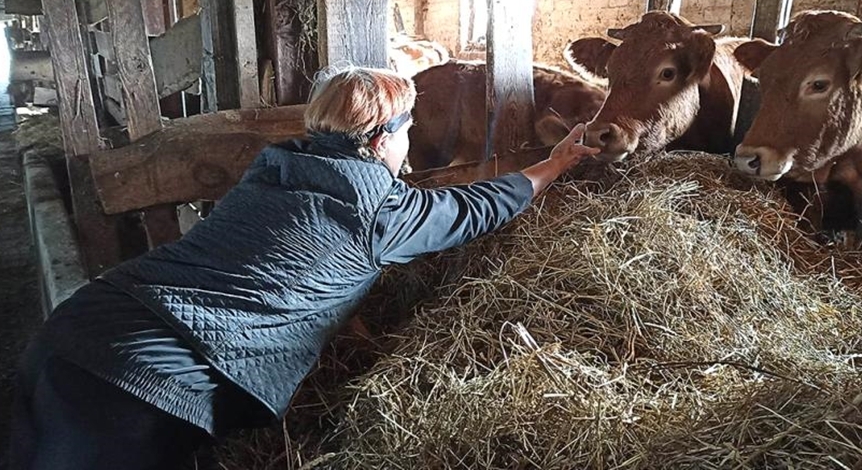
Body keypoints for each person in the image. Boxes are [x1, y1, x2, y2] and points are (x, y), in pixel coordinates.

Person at [8, 66, 599, 469]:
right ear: (378, 139)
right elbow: (476, 207)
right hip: (146, 378)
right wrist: (554, 164)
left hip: (78, 324)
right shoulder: (379, 210)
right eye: (407, 131)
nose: (410, 144)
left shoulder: (276, 169)